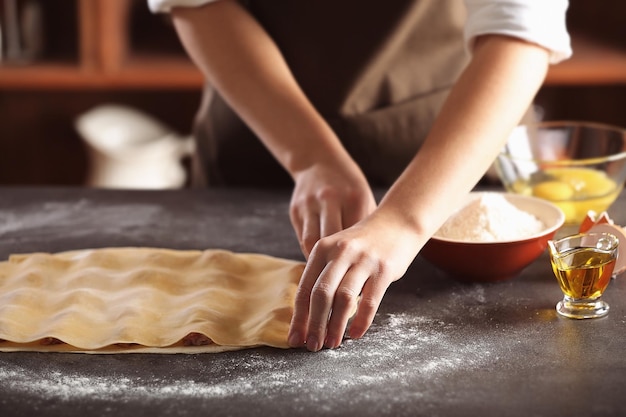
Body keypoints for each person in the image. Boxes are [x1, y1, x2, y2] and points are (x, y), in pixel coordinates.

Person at [148, 0, 571, 351]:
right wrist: (309, 156)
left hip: (447, 147)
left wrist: (404, 218)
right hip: (256, 134)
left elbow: (520, 31)